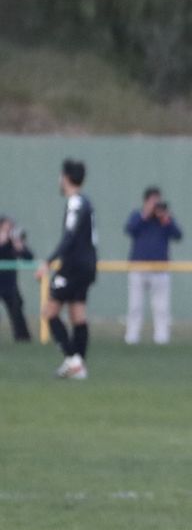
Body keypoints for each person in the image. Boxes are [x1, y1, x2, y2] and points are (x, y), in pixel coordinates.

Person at [36, 158, 98, 379]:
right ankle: (78, 365)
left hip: (73, 267)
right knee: (77, 314)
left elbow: (69, 237)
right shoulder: (86, 202)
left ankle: (73, 361)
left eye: (61, 176)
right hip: (88, 265)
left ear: (66, 178)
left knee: (49, 312)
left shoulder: (75, 203)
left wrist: (48, 261)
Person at [123, 186, 183, 345]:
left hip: (160, 269)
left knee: (161, 307)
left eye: (158, 201)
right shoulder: (138, 215)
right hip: (138, 268)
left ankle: (161, 338)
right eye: (153, 201)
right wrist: (145, 215)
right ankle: (132, 337)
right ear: (146, 201)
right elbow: (129, 229)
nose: (156, 204)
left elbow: (178, 235)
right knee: (135, 306)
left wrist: (165, 220)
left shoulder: (164, 218)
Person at [0, 215, 35, 343]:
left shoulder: (13, 243)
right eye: (6, 227)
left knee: (16, 309)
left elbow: (29, 257)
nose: (9, 230)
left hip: (9, 285)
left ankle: (22, 338)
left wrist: (19, 245)